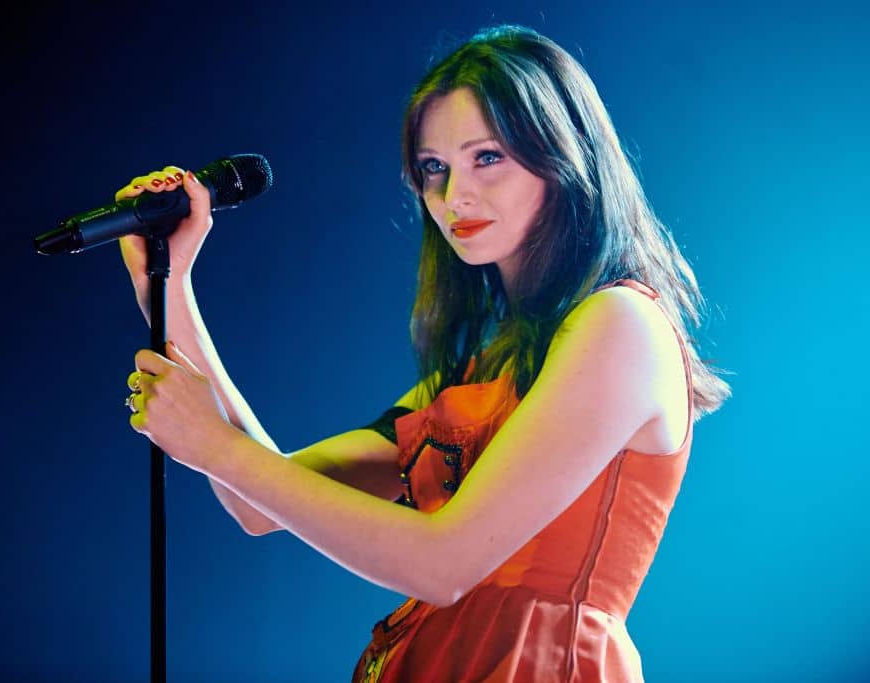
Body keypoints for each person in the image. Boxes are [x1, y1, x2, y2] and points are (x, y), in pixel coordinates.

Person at [117, 24, 731, 683]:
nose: (452, 196)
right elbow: (260, 501)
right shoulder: (484, 368)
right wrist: (168, 285)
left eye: (487, 157)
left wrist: (214, 445)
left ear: (565, 154)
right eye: (434, 168)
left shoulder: (622, 322)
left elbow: (442, 564)